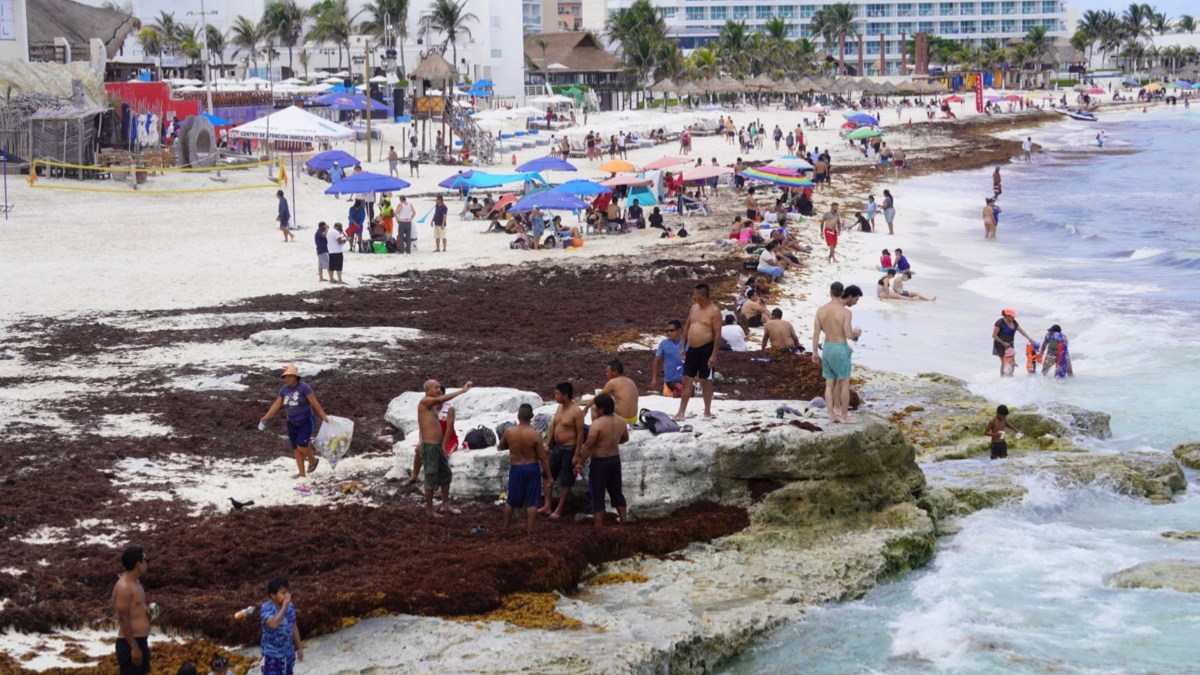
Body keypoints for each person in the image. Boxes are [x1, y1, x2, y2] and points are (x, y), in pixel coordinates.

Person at [260, 364, 330, 478]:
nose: (287, 379)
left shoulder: (304, 387)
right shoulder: (284, 389)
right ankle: (301, 474)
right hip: (291, 422)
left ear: (295, 377)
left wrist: (323, 416)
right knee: (296, 449)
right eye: (285, 377)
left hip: (306, 421)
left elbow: (314, 403)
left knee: (302, 445)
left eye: (289, 376)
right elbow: (277, 404)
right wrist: (266, 417)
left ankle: (312, 460)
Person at [416, 379, 472, 516]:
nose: (439, 389)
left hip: (438, 446)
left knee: (446, 474)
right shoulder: (425, 402)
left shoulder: (434, 406)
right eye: (436, 387)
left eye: (440, 387)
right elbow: (441, 399)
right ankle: (429, 510)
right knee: (431, 477)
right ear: (428, 390)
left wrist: (442, 445)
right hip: (430, 447)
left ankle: (445, 505)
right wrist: (462, 391)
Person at [573, 392, 628, 528]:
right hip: (614, 460)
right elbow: (625, 438)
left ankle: (598, 526)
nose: (595, 409)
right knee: (616, 492)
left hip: (600, 463)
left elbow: (589, 446)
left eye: (596, 407)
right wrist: (611, 443)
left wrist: (580, 462)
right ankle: (623, 522)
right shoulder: (621, 421)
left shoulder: (597, 424)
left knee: (597, 494)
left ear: (602, 409)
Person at [812, 284, 863, 424]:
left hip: (827, 348)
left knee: (829, 384)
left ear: (830, 292)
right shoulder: (845, 312)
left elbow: (816, 333)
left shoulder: (821, 310)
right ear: (843, 293)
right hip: (840, 348)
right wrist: (857, 334)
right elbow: (849, 335)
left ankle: (831, 415)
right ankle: (844, 416)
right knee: (844, 383)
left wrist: (815, 352)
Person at [498, 403, 551, 534]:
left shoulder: (509, 432)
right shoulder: (535, 434)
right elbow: (542, 457)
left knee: (511, 500)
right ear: (531, 417)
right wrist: (549, 476)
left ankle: (505, 527)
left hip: (516, 468)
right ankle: (530, 531)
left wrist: (513, 445)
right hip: (531, 468)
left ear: (518, 416)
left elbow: (501, 446)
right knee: (532, 502)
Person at [675, 283, 722, 421]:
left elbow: (717, 334)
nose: (693, 296)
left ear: (702, 296)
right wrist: (682, 347)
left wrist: (714, 355)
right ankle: (681, 412)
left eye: (695, 294)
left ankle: (707, 412)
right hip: (692, 349)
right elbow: (687, 327)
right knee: (687, 379)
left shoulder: (714, 311)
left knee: (705, 381)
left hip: (707, 348)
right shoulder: (694, 308)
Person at [542, 382, 584, 519]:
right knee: (547, 475)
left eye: (557, 394)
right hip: (557, 447)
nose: (555, 396)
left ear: (565, 395)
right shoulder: (559, 407)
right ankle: (547, 505)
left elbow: (580, 435)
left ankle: (559, 509)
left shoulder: (576, 412)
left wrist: (576, 454)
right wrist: (548, 444)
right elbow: (554, 426)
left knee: (566, 480)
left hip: (569, 448)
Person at [113, 546, 153, 675]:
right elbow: (122, 618)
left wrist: (150, 612)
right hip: (129, 643)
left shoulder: (137, 583)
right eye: (146, 560)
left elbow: (138, 609)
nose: (147, 563)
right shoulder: (124, 587)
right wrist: (134, 647)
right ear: (138, 564)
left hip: (141, 641)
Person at [260, 578, 303, 675]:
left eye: (287, 592)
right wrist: (284, 607)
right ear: (273, 596)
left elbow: (294, 627)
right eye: (283, 593)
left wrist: (299, 647)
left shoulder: (290, 607)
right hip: (271, 654)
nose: (286, 595)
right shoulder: (266, 608)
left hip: (288, 653)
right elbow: (273, 624)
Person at [585, 359, 639, 424]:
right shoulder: (630, 381)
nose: (606, 374)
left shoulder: (613, 382)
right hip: (634, 419)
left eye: (608, 372)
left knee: (594, 407)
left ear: (615, 372)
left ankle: (596, 428)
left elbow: (598, 398)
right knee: (611, 400)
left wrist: (586, 408)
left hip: (623, 420)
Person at [992, 308, 1033, 377]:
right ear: (1007, 316)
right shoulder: (1000, 322)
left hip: (1010, 344)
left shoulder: (1014, 322)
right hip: (1000, 344)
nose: (1013, 318)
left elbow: (1021, 330)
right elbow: (994, 335)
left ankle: (1010, 376)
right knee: (1004, 362)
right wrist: (1003, 343)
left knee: (1012, 361)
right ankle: (1002, 378)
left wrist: (1029, 338)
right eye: (1012, 316)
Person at [651, 319, 685, 397]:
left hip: (686, 381)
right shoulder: (663, 344)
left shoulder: (686, 343)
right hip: (669, 381)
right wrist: (654, 378)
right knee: (670, 402)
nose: (668, 333)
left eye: (671, 330)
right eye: (667, 331)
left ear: (679, 330)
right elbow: (656, 361)